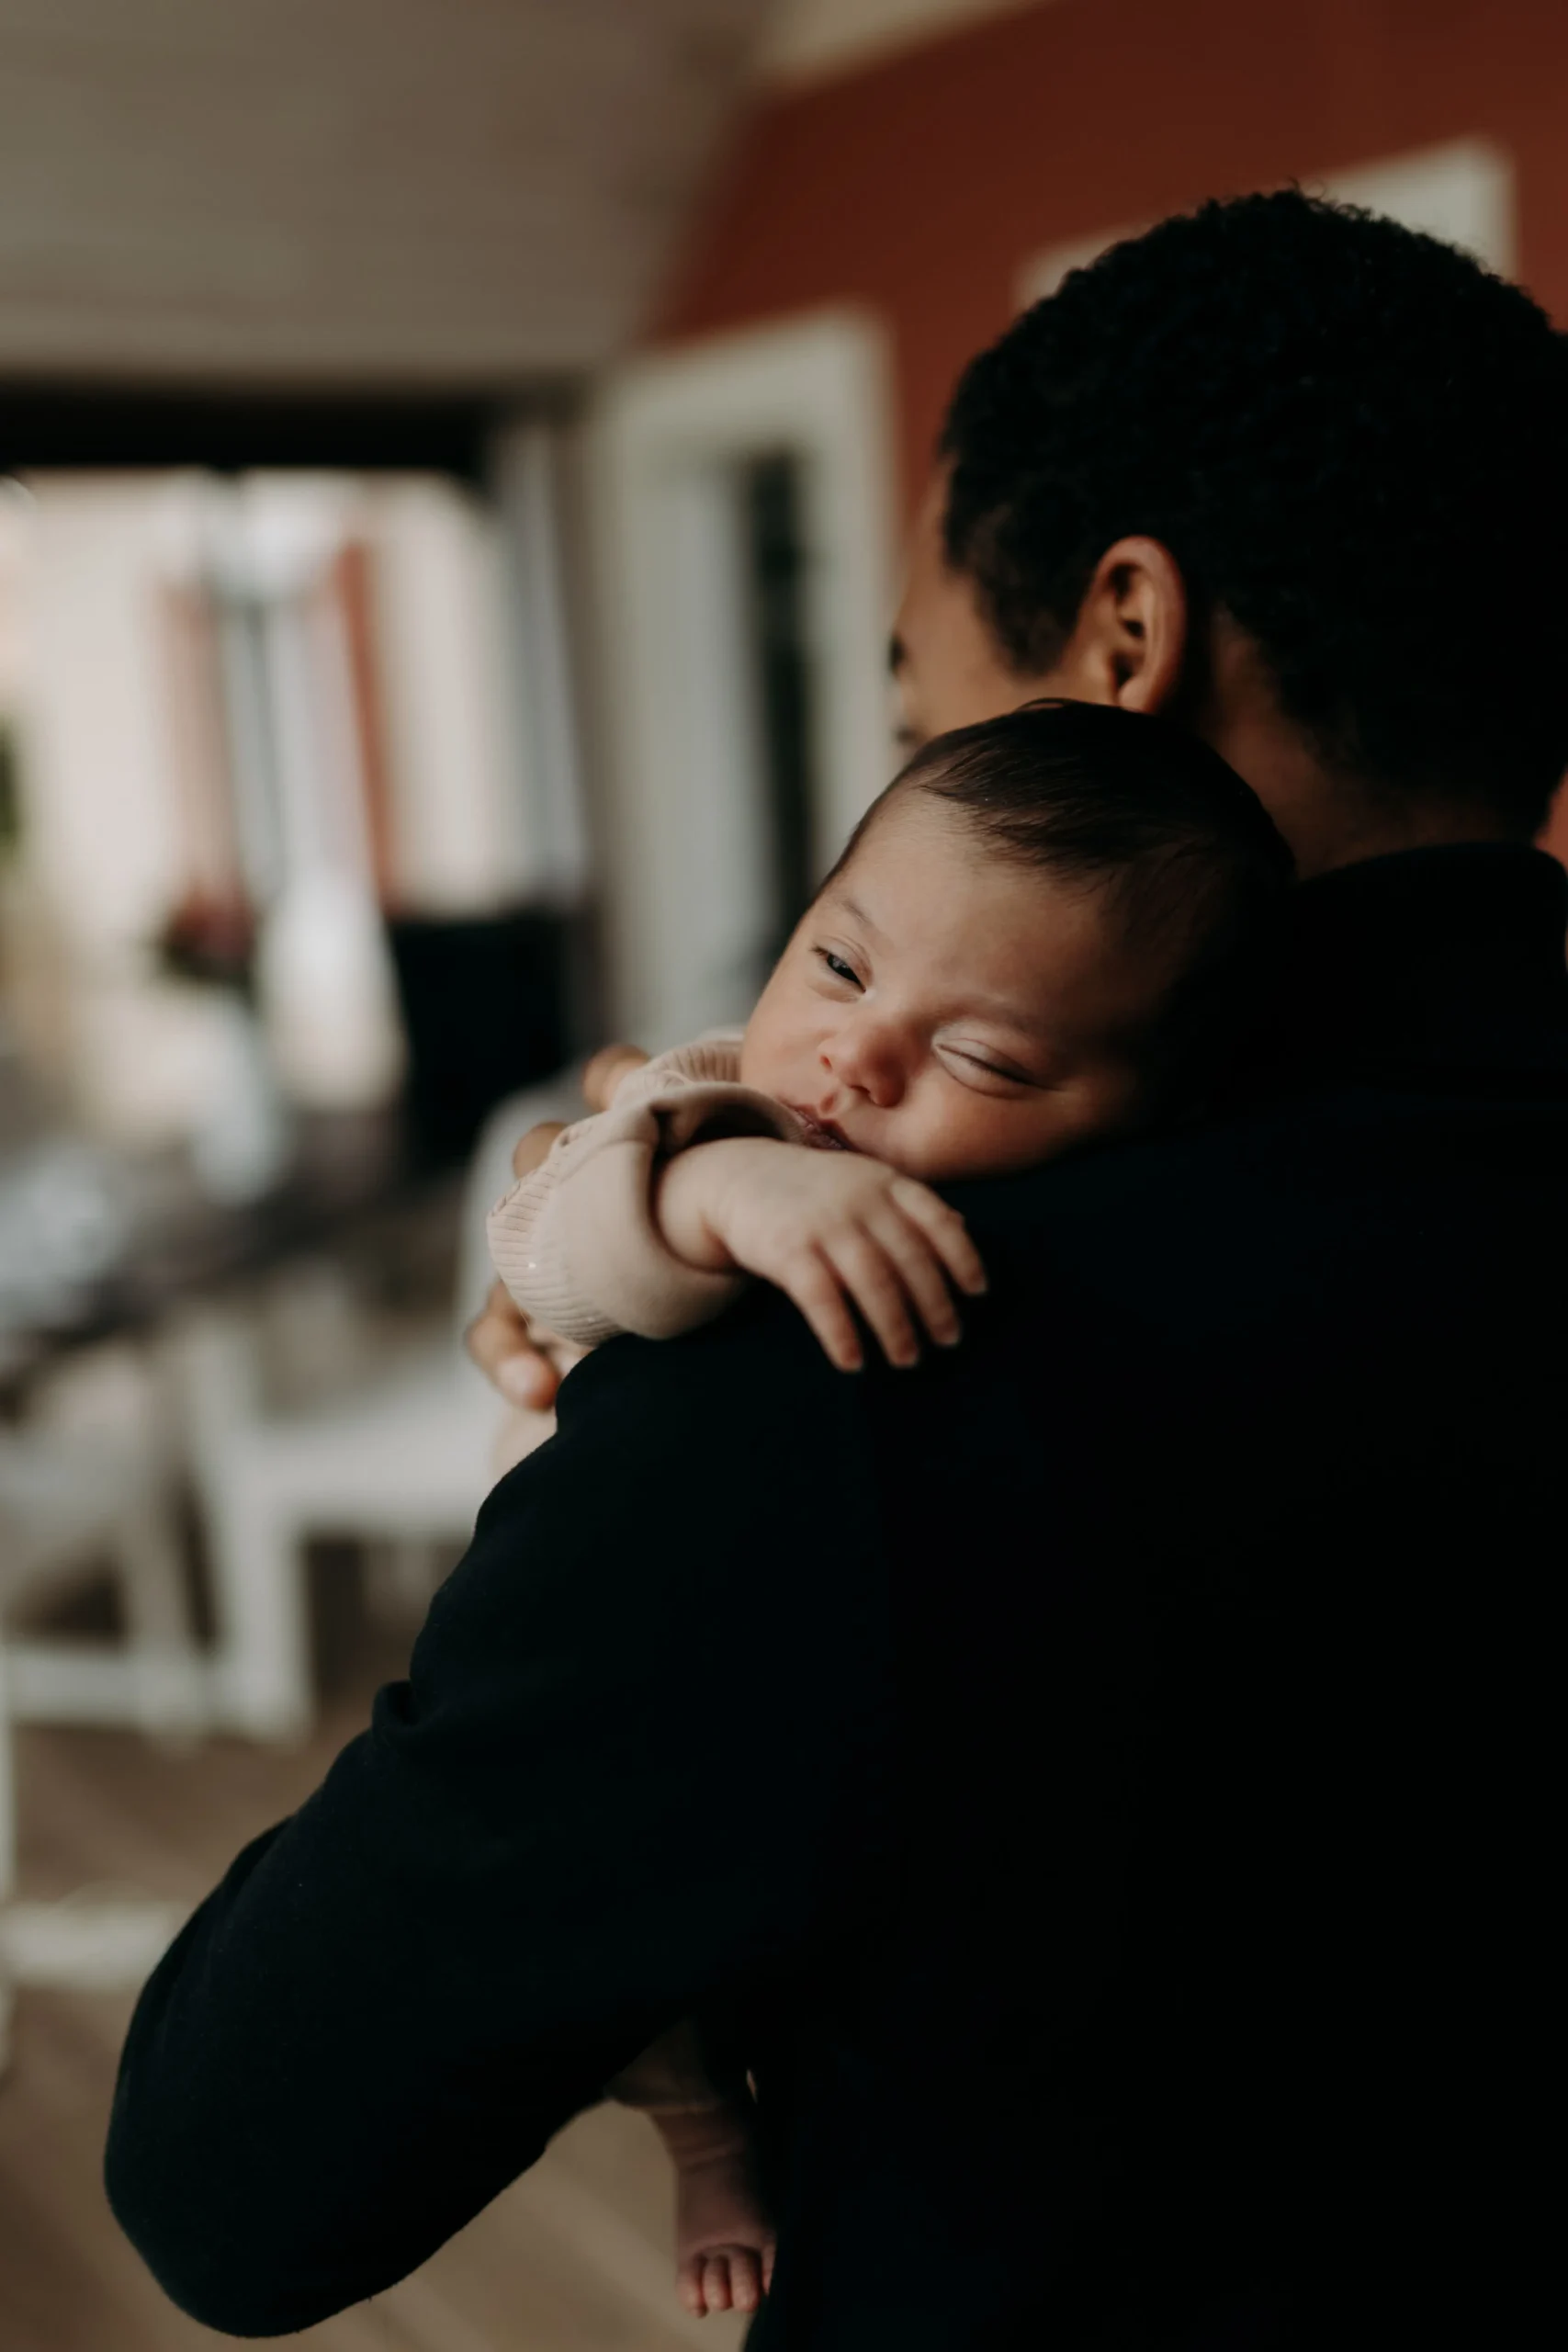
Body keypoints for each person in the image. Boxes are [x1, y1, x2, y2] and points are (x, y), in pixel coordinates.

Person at [107, 190, 1568, 2345]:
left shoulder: (871, 1345)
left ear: (1126, 637)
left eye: (914, 716)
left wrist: (601, 1498)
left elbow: (230, 2172)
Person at [481, 700, 1292, 2313]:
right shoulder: (716, 1101)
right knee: (630, 1970)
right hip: (567, 1655)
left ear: (1141, 1127)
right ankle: (701, 2136)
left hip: (805, 1746)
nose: (855, 1056)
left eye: (981, 1055)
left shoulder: (1069, 1255)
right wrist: (715, 1187)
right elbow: (542, 1248)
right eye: (838, 964)